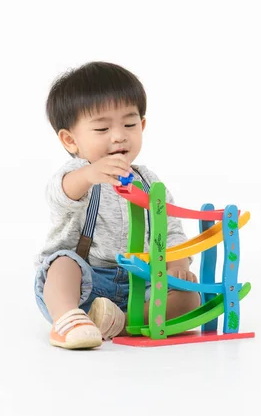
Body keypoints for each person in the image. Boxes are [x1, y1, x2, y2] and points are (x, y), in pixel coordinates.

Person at [34, 61, 200, 349]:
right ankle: (68, 319)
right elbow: (59, 196)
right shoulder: (76, 174)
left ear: (143, 126)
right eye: (101, 128)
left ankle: (121, 322)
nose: (119, 135)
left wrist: (177, 264)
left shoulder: (148, 181)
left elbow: (171, 229)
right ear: (70, 140)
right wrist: (88, 174)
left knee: (191, 296)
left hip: (142, 282)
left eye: (130, 124)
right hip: (87, 280)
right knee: (62, 263)